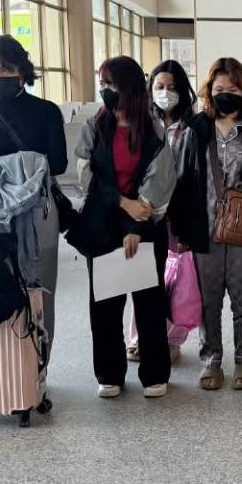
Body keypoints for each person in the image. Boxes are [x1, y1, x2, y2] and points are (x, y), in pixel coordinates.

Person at [170, 58, 242, 391]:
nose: (226, 94)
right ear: (209, 91)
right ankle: (211, 359)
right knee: (209, 298)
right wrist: (181, 229)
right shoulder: (194, 129)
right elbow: (181, 181)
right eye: (219, 89)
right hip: (204, 228)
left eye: (233, 89)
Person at [74, 57, 176, 399]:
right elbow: (86, 173)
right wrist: (121, 202)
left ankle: (155, 373)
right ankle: (109, 373)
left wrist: (135, 225)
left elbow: (160, 180)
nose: (105, 90)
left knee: (149, 303)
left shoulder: (154, 128)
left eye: (111, 84)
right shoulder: (95, 126)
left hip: (145, 226)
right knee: (104, 304)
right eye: (102, 84)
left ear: (130, 88)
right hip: (102, 225)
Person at [0, 34, 67, 345]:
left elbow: (57, 164)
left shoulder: (47, 111)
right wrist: (27, 164)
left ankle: (39, 362)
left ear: (21, 70)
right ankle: (2, 363)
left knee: (40, 287)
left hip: (38, 211)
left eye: (4, 69)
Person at [121, 59, 197, 365]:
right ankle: (139, 338)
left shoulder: (193, 126)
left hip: (180, 211)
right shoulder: (140, 125)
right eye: (160, 86)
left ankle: (172, 339)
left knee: (178, 279)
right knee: (144, 277)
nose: (166, 93)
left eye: (173, 87)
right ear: (150, 90)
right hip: (147, 210)